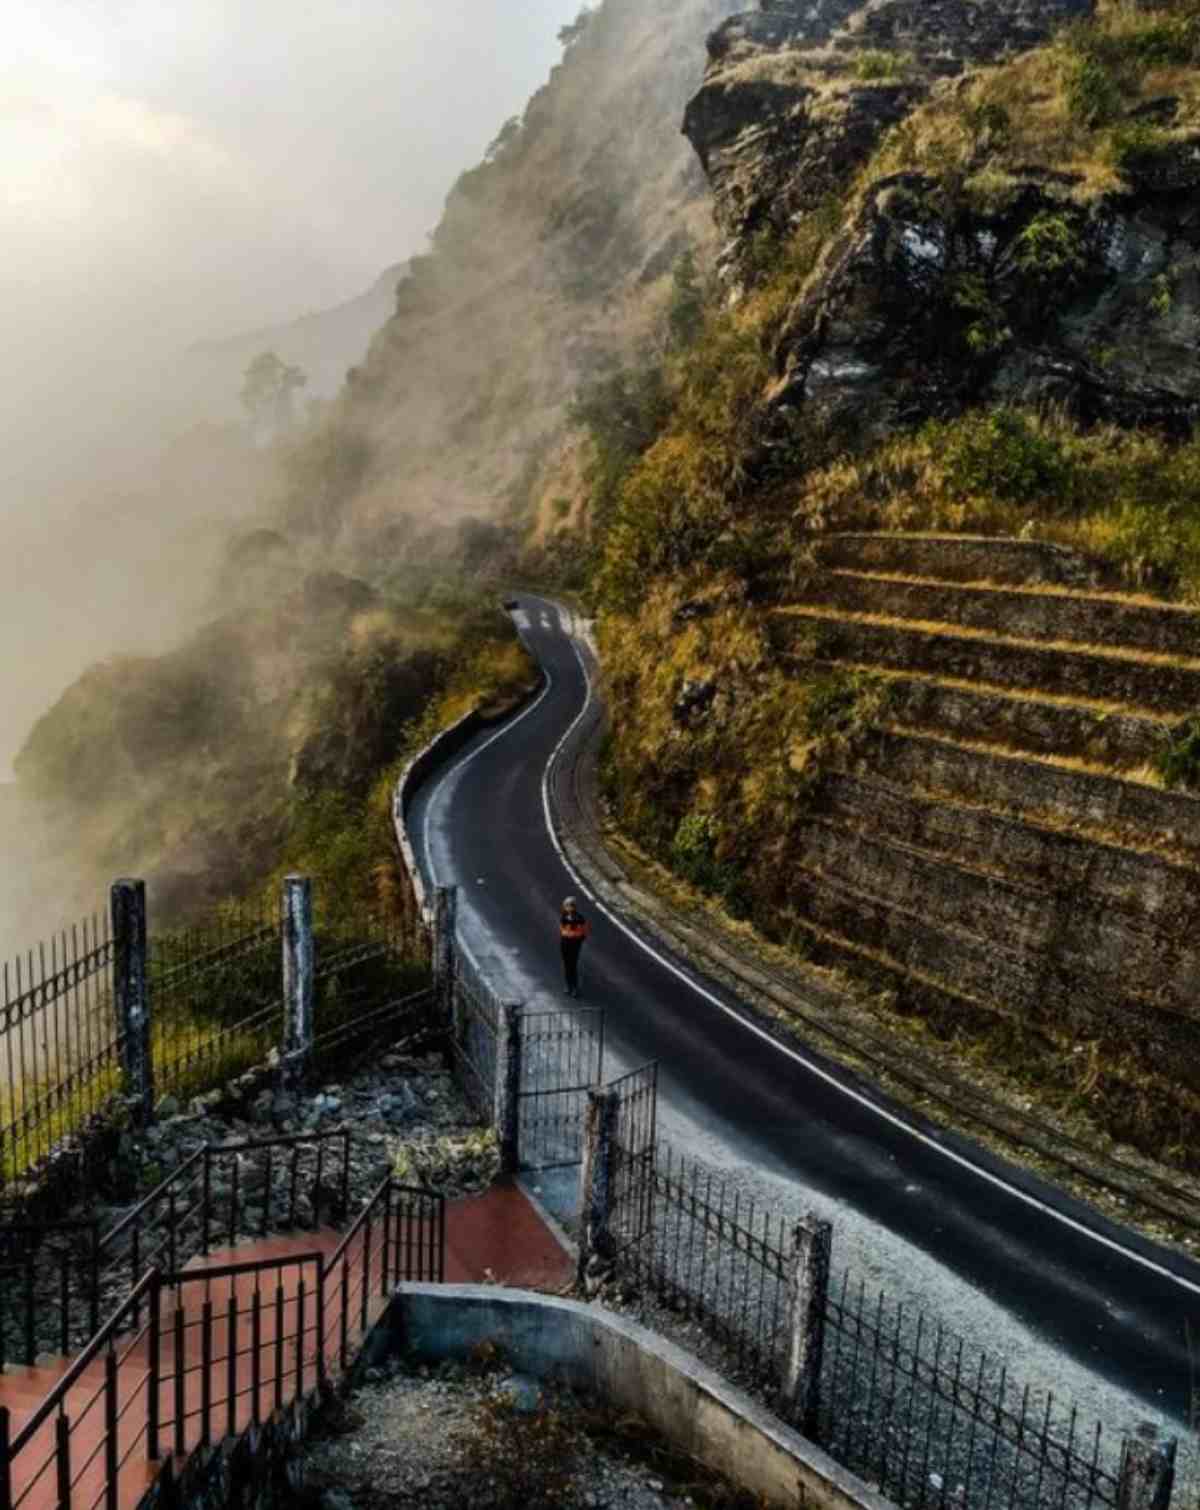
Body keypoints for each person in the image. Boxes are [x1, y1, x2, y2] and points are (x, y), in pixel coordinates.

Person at [559, 895, 590, 998]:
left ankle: (575, 988)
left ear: (574, 907)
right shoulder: (564, 917)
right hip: (565, 943)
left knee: (572, 966)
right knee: (567, 966)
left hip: (574, 945)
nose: (568, 908)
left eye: (569, 906)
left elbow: (584, 933)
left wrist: (577, 941)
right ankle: (568, 986)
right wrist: (565, 937)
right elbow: (562, 929)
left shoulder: (579, 919)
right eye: (566, 906)